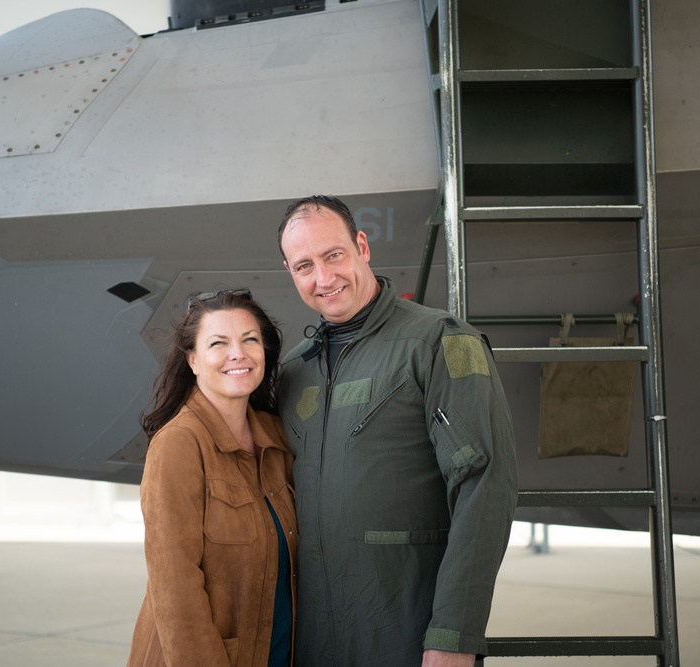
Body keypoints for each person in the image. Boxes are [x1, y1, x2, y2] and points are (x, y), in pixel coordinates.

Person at [276, 195, 518, 667]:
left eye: (334, 255)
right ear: (290, 272)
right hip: (314, 640)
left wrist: (454, 635)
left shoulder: (443, 343)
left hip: (406, 634)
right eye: (305, 265)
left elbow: (485, 487)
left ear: (361, 246)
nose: (323, 279)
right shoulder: (293, 371)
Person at [127, 289, 297, 667]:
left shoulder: (276, 437)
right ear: (193, 360)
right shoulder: (179, 444)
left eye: (249, 340)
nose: (238, 353)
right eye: (218, 343)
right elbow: (175, 591)